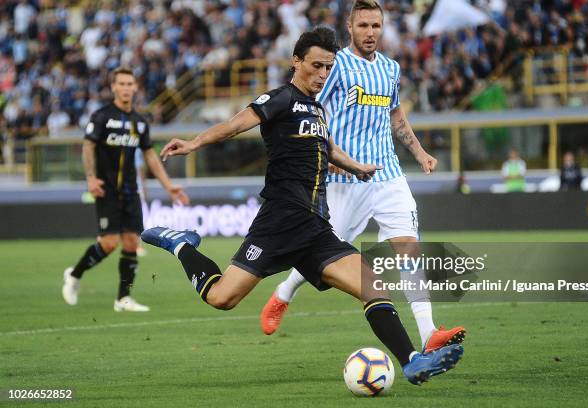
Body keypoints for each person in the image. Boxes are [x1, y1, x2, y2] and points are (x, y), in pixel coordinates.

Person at [141, 27, 463, 385]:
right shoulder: (280, 99)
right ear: (296, 61)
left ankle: (412, 361)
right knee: (222, 297)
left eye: (328, 67)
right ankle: (182, 244)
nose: (323, 75)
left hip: (315, 227)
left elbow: (325, 145)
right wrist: (193, 143)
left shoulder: (316, 108)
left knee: (371, 285)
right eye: (316, 66)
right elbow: (234, 125)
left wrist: (356, 168)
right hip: (278, 222)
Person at [261, 0, 465, 354]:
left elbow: (396, 116)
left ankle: (429, 332)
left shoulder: (390, 69)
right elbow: (313, 108)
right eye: (364, 26)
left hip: (388, 174)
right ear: (350, 27)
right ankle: (284, 292)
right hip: (345, 180)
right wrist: (330, 153)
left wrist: (419, 152)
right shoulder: (335, 65)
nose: (370, 33)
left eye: (376, 26)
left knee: (408, 246)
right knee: (325, 252)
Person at [62, 67, 189, 311]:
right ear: (113, 87)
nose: (126, 88)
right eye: (121, 83)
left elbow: (150, 155)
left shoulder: (139, 123)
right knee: (109, 243)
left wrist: (169, 186)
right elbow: (88, 147)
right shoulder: (101, 116)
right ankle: (74, 274)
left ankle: (123, 298)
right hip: (106, 189)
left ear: (135, 87)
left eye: (130, 83)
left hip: (131, 191)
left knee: (132, 243)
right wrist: (90, 178)